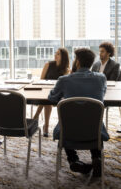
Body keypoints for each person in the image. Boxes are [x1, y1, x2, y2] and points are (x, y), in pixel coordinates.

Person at [48, 48, 109, 177]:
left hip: (69, 131)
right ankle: (97, 157)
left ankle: (73, 160)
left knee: (67, 121)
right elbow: (101, 96)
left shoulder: (64, 80)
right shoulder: (101, 78)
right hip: (94, 130)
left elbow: (52, 99)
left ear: (77, 62)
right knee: (91, 117)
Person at [33, 48, 70, 137]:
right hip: (46, 90)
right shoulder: (48, 64)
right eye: (55, 53)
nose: (55, 55)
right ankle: (46, 126)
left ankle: (36, 117)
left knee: (48, 98)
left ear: (63, 57)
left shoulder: (66, 69)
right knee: (47, 99)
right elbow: (41, 80)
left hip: (58, 93)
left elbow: (64, 84)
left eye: (58, 54)